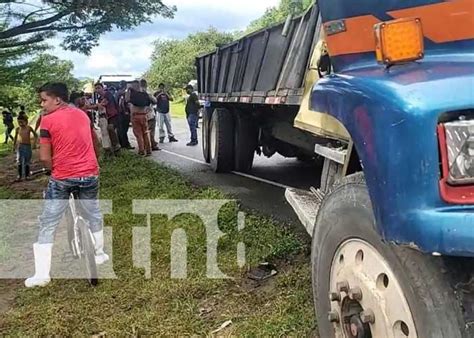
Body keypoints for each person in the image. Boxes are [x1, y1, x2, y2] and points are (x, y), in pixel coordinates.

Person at [25, 82, 108, 288]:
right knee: (93, 213)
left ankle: (42, 275)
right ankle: (99, 254)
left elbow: (44, 157)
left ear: (57, 99)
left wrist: (53, 170)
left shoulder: (47, 120)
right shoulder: (82, 114)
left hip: (63, 177)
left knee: (48, 222)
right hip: (90, 173)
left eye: (44, 100)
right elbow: (95, 141)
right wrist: (93, 163)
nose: (42, 104)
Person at [126, 80, 153, 156]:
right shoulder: (144, 94)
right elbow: (150, 102)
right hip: (144, 115)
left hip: (136, 115)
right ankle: (148, 150)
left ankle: (141, 150)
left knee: (139, 134)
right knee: (145, 133)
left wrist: (128, 90)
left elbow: (127, 100)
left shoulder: (133, 94)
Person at [94, 83, 121, 153]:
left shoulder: (108, 94)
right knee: (106, 133)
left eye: (99, 88)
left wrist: (94, 105)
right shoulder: (99, 98)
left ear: (102, 88)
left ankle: (116, 145)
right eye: (96, 88)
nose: (97, 90)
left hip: (113, 115)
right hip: (106, 117)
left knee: (110, 128)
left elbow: (103, 104)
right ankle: (110, 149)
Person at [13, 116, 37, 181]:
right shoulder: (18, 129)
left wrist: (34, 143)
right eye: (19, 122)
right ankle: (19, 176)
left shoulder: (29, 128)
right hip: (20, 146)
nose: (20, 124)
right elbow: (15, 138)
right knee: (19, 161)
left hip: (28, 146)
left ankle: (27, 176)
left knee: (27, 161)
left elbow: (35, 135)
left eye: (22, 122)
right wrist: (14, 146)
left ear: (26, 122)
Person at [140, 79, 159, 151]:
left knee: (143, 131)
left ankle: (144, 146)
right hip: (150, 114)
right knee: (151, 131)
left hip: (141, 114)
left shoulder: (137, 93)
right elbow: (155, 101)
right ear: (146, 84)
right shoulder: (147, 93)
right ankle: (152, 145)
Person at [117, 81, 134, 149]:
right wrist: (125, 111)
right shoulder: (123, 94)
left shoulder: (117, 93)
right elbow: (121, 104)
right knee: (124, 130)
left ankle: (122, 144)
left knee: (121, 130)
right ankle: (125, 144)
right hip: (123, 114)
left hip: (119, 114)